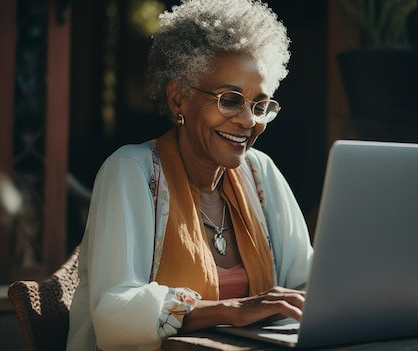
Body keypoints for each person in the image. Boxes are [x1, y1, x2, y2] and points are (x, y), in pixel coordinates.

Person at [66, 1, 314, 350]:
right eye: (230, 100)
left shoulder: (262, 173)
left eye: (260, 105)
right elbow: (114, 312)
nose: (248, 121)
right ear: (178, 98)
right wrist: (230, 310)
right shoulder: (131, 172)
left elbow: (306, 286)